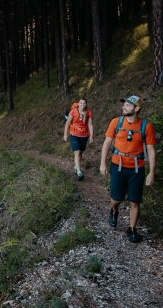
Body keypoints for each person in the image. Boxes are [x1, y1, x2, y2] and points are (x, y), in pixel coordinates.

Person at [99, 95, 157, 243]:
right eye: (124, 105)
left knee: (134, 201)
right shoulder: (116, 122)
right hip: (117, 165)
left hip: (137, 169)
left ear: (136, 108)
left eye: (127, 105)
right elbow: (107, 143)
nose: (123, 107)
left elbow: (151, 150)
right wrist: (103, 163)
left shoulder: (146, 126)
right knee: (116, 198)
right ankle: (114, 210)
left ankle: (132, 229)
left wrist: (151, 172)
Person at [63, 98, 93, 180]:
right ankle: (79, 172)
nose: (82, 104)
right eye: (81, 103)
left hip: (84, 135)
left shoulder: (89, 112)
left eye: (84, 103)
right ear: (78, 103)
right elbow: (68, 122)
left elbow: (90, 124)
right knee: (77, 152)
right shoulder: (73, 111)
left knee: (80, 153)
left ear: (86, 104)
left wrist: (91, 136)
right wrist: (65, 134)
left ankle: (76, 166)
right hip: (74, 134)